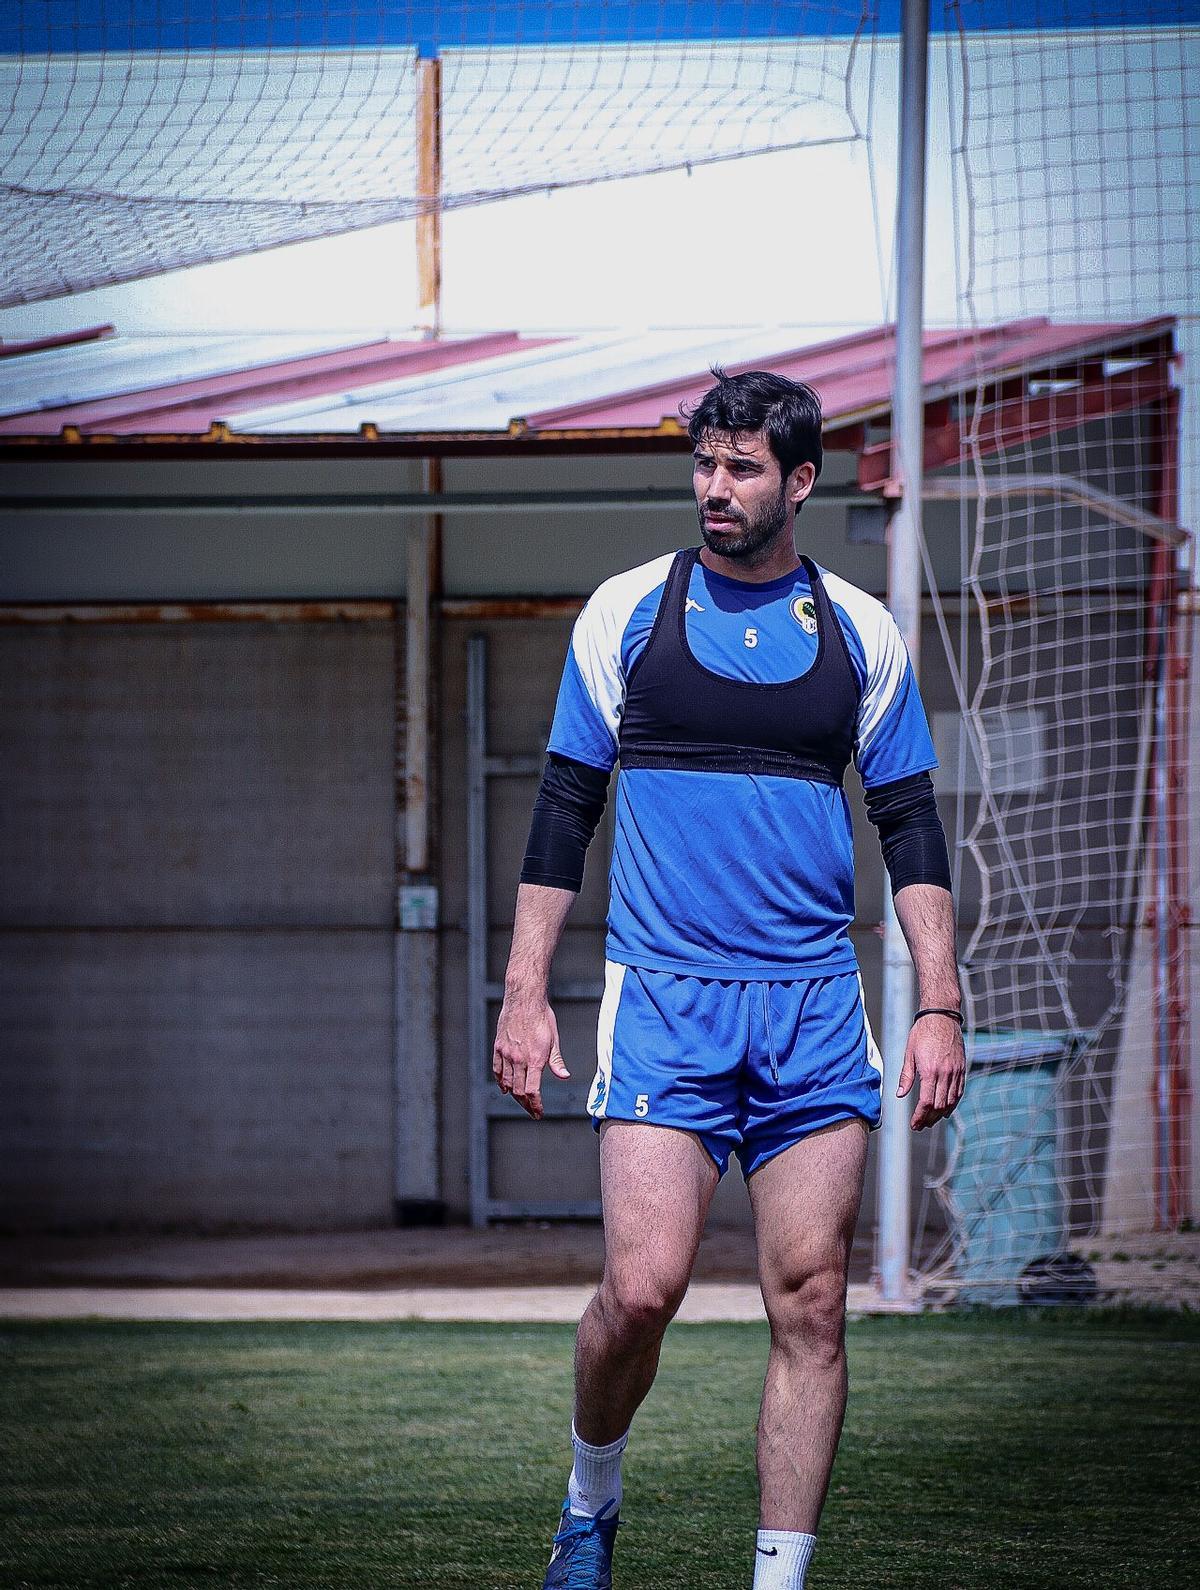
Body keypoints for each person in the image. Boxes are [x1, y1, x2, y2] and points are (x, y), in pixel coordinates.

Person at [492, 368, 966, 1590]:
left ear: (799, 482)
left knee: (810, 1303)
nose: (715, 488)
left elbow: (912, 826)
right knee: (640, 1291)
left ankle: (779, 1576)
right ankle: (590, 1502)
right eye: (704, 463)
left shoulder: (860, 633)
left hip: (814, 1010)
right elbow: (563, 812)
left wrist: (937, 1001)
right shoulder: (626, 616)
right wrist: (525, 990)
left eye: (742, 468)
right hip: (665, 1000)